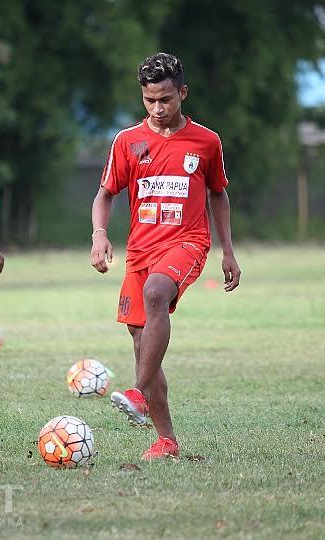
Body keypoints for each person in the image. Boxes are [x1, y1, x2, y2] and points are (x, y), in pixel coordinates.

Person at [91, 52, 241, 460]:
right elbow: (105, 194)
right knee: (144, 345)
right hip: (140, 251)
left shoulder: (206, 142)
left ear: (182, 93)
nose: (158, 109)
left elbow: (218, 194)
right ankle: (167, 440)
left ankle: (137, 394)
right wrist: (99, 235)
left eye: (166, 100)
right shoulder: (128, 142)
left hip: (188, 242)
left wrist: (228, 251)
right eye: (150, 100)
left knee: (158, 293)